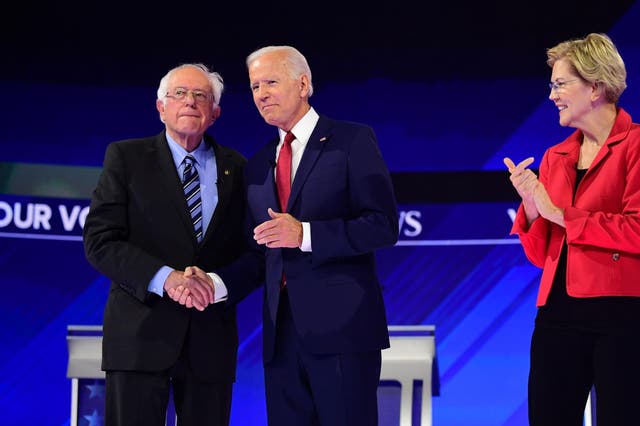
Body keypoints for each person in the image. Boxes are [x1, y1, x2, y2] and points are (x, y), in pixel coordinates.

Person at [171, 45, 399, 425]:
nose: (261, 94)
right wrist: (213, 283)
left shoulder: (351, 141)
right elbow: (257, 252)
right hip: (281, 339)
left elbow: (382, 224)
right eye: (255, 85)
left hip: (342, 333)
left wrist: (305, 234)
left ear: (304, 84)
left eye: (271, 82)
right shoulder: (258, 165)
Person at [82, 63, 248, 426]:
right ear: (160, 107)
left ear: (215, 113)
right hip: (140, 337)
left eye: (200, 95)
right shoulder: (126, 158)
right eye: (179, 94)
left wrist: (215, 285)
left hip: (210, 342)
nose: (189, 101)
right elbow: (100, 240)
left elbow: (252, 253)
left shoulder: (237, 168)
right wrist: (165, 278)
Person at [504, 33, 640, 425]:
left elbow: (635, 229)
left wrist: (561, 213)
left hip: (623, 315)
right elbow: (538, 255)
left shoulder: (635, 146)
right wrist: (531, 206)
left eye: (560, 84)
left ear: (596, 86)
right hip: (557, 316)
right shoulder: (556, 157)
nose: (552, 95)